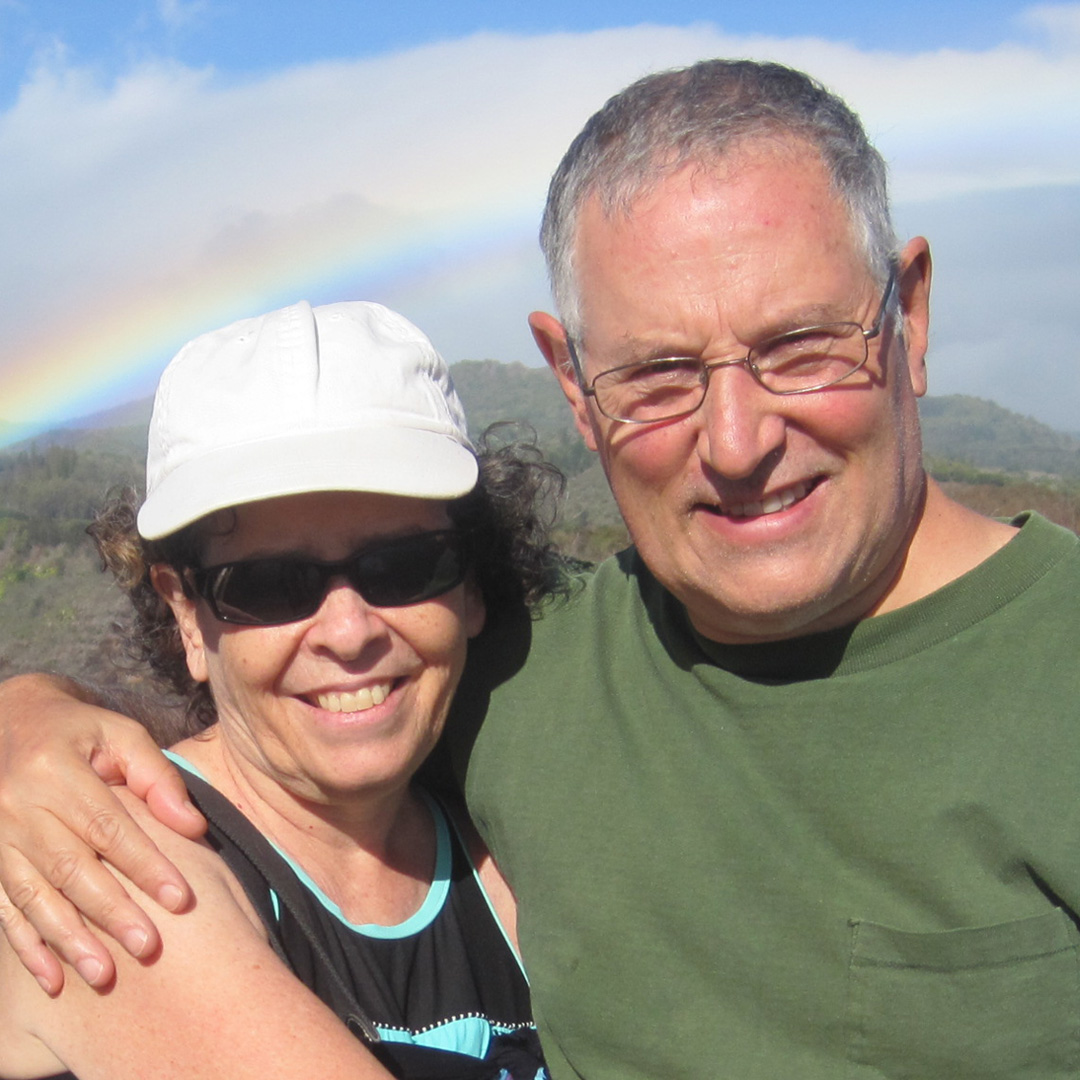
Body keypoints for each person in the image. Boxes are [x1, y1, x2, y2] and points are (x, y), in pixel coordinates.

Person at [2, 57, 1080, 1078]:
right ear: (575, 384)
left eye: (801, 346)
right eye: (659, 374)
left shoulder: (481, 711)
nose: (740, 440)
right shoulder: (113, 869)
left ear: (913, 313)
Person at [0, 299, 557, 1080]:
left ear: (471, 586)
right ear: (187, 617)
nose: (349, 630)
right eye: (268, 584)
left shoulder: (511, 835)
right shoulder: (116, 869)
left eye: (404, 567)